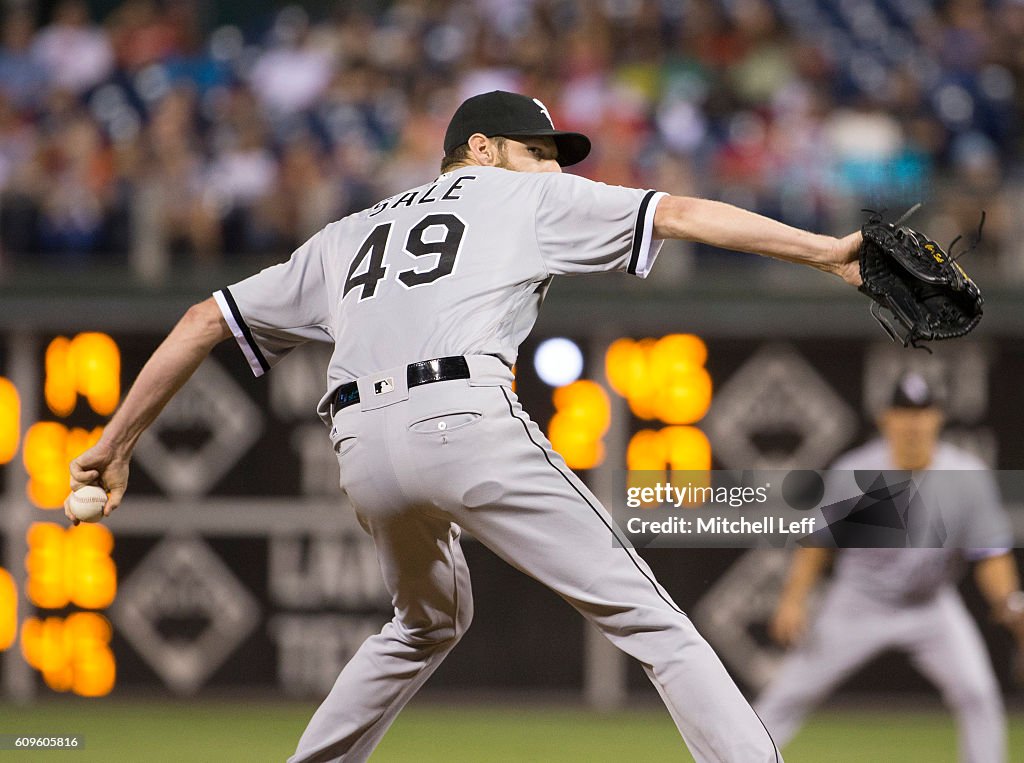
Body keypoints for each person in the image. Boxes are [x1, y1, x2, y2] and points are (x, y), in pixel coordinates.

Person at [67, 90, 863, 762]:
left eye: (558, 156)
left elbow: (207, 317)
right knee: (653, 620)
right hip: (464, 417)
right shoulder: (523, 195)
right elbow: (683, 211)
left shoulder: (347, 233)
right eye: (538, 149)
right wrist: (825, 250)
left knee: (423, 622)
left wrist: (114, 442)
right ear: (479, 147)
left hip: (360, 447)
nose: (554, 167)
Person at [755, 372, 1024, 763]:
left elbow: (989, 556)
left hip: (930, 606)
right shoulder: (855, 471)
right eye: (903, 413)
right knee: (789, 694)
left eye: (922, 412)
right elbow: (817, 544)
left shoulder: (966, 476)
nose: (913, 423)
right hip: (858, 602)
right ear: (886, 420)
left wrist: (1013, 606)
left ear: (938, 419)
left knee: (978, 693)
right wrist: (793, 600)